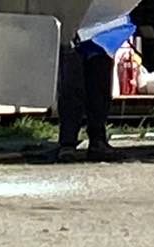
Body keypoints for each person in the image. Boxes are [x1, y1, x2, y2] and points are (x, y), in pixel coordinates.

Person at [55, 19, 135, 161]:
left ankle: (96, 140)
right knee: (72, 85)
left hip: (102, 30)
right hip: (76, 29)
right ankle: (68, 142)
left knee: (99, 84)